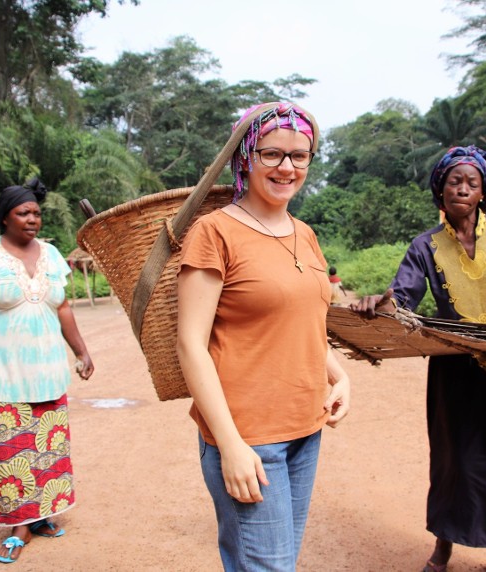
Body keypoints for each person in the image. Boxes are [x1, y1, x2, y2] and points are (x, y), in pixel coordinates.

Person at [351, 146, 486, 572]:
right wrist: (377, 303)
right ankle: (443, 547)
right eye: (454, 182)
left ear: (483, 192)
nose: (462, 188)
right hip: (452, 369)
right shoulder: (425, 246)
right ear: (440, 191)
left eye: (471, 183)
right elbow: (401, 298)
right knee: (451, 456)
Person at [176, 102, 351, 571]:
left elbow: (305, 319)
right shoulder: (214, 232)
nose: (286, 167)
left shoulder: (306, 233)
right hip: (248, 436)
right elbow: (190, 344)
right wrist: (230, 444)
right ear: (244, 158)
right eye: (271, 154)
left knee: (275, 565)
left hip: (305, 428)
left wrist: (339, 375)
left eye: (299, 156)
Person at [0, 178, 94, 565]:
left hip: (48, 371)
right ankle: (20, 527)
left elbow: (62, 307)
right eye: (23, 213)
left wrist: (81, 351)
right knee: (11, 450)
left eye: (36, 212)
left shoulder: (50, 254)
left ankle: (43, 515)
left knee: (48, 448)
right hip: (4, 374)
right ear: (4, 217)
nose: (32, 219)